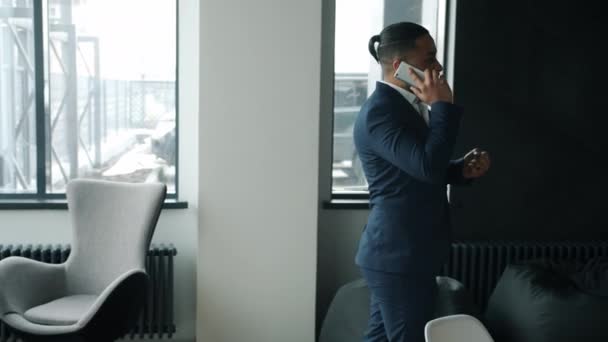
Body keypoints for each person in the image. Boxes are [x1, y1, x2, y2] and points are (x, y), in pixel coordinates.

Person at [353, 22, 491, 341]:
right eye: (429, 59)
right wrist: (442, 106)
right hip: (397, 254)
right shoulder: (381, 113)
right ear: (400, 66)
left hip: (407, 252)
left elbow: (416, 169)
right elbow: (428, 167)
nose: (438, 67)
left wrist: (459, 170)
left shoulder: (405, 106)